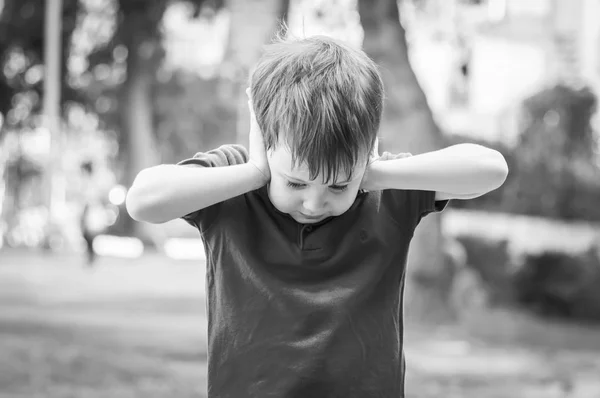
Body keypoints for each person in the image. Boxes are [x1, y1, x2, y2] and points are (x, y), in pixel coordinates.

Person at [126, 35, 508, 397]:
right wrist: (255, 172)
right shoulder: (230, 185)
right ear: (261, 132)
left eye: (337, 186)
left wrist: (372, 173)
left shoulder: (385, 193)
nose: (313, 202)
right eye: (294, 183)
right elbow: (143, 200)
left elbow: (491, 169)